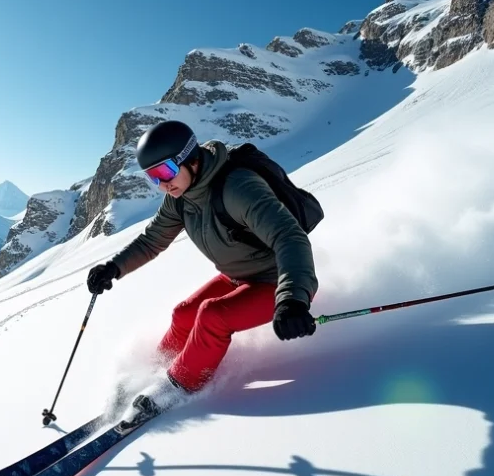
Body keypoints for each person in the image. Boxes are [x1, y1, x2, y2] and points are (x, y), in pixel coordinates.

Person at [86, 119, 319, 419]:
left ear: (190, 160)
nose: (162, 184)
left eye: (166, 171)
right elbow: (151, 241)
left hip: (280, 283)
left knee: (212, 316)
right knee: (184, 313)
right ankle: (151, 374)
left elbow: (290, 237)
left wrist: (293, 299)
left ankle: (174, 387)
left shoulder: (238, 188)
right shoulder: (180, 197)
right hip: (239, 276)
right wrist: (113, 268)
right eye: (152, 177)